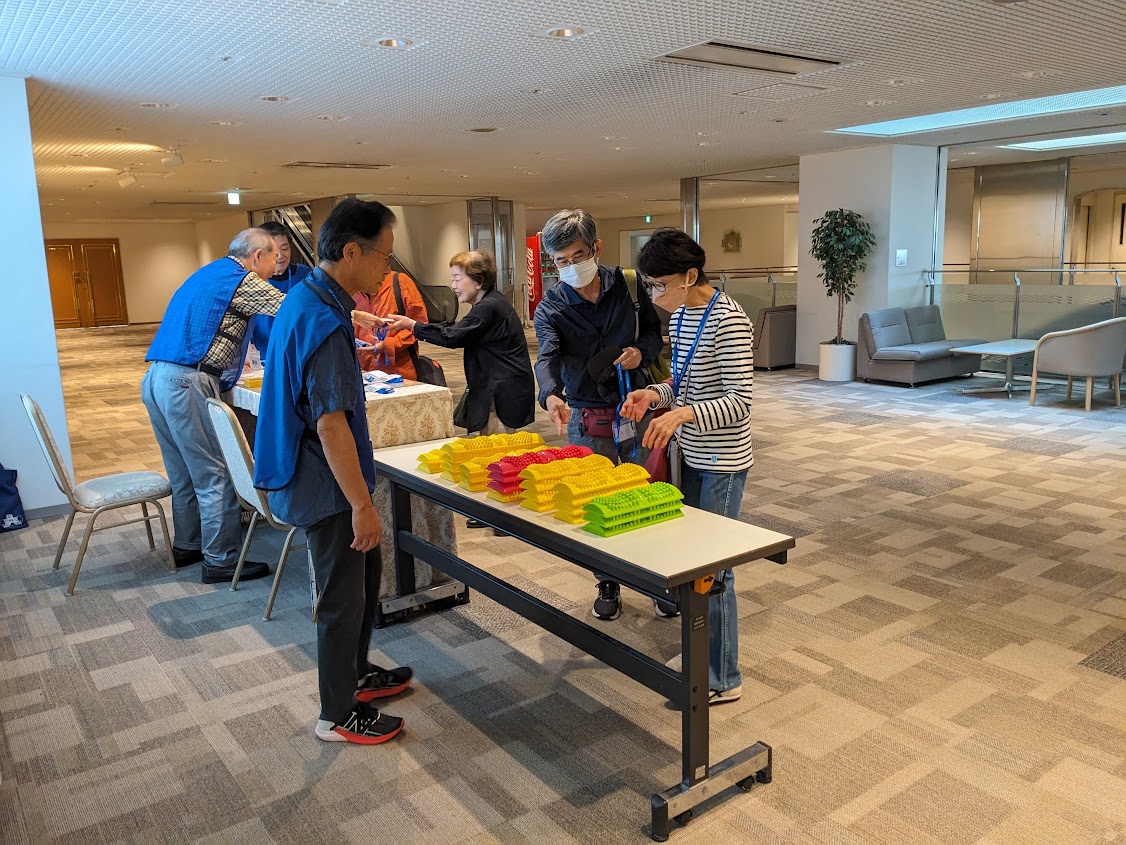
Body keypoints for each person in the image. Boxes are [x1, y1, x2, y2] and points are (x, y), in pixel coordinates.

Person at [253, 198, 412, 745]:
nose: (388, 270)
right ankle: (337, 714)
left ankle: (356, 675)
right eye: (384, 256)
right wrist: (362, 506)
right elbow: (331, 425)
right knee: (343, 598)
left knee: (363, 582)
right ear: (351, 252)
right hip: (324, 483)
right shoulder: (322, 320)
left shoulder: (309, 299)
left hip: (322, 475)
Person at [619, 228, 754, 705]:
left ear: (690, 276)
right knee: (691, 561)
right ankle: (703, 655)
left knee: (715, 569)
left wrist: (681, 415)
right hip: (690, 453)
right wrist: (654, 395)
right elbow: (682, 380)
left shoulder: (729, 320)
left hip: (723, 460)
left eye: (660, 284)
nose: (654, 294)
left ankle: (723, 676)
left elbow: (740, 401)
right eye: (649, 285)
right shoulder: (681, 317)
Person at [532, 208, 666, 621]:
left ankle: (656, 578)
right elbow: (547, 357)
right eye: (561, 261)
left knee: (647, 493)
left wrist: (641, 352)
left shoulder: (629, 285)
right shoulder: (550, 307)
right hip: (587, 415)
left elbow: (653, 334)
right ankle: (607, 580)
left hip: (637, 406)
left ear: (596, 248)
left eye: (578, 255)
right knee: (595, 501)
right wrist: (550, 395)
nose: (571, 266)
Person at [142, 228, 282, 584]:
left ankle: (189, 544)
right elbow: (294, 311)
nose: (275, 269)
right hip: (187, 381)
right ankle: (220, 560)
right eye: (273, 260)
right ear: (257, 257)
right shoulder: (243, 279)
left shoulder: (209, 273)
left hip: (157, 377)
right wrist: (352, 316)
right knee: (213, 472)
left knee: (183, 471)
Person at [377, 250, 534, 435]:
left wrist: (412, 325)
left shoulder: (487, 307)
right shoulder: (493, 301)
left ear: (479, 281)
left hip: (503, 386)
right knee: (494, 434)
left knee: (501, 442)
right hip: (501, 382)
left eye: (457, 279)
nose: (453, 286)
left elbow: (452, 336)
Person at [248, 221, 313, 358]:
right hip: (263, 354)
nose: (280, 255)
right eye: (273, 250)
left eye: (285, 248)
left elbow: (314, 310)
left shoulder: (304, 274)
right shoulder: (252, 281)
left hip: (299, 352)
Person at [352, 270, 428, 379]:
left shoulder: (400, 282)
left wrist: (388, 345)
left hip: (399, 372)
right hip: (362, 372)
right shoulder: (349, 289)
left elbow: (419, 326)